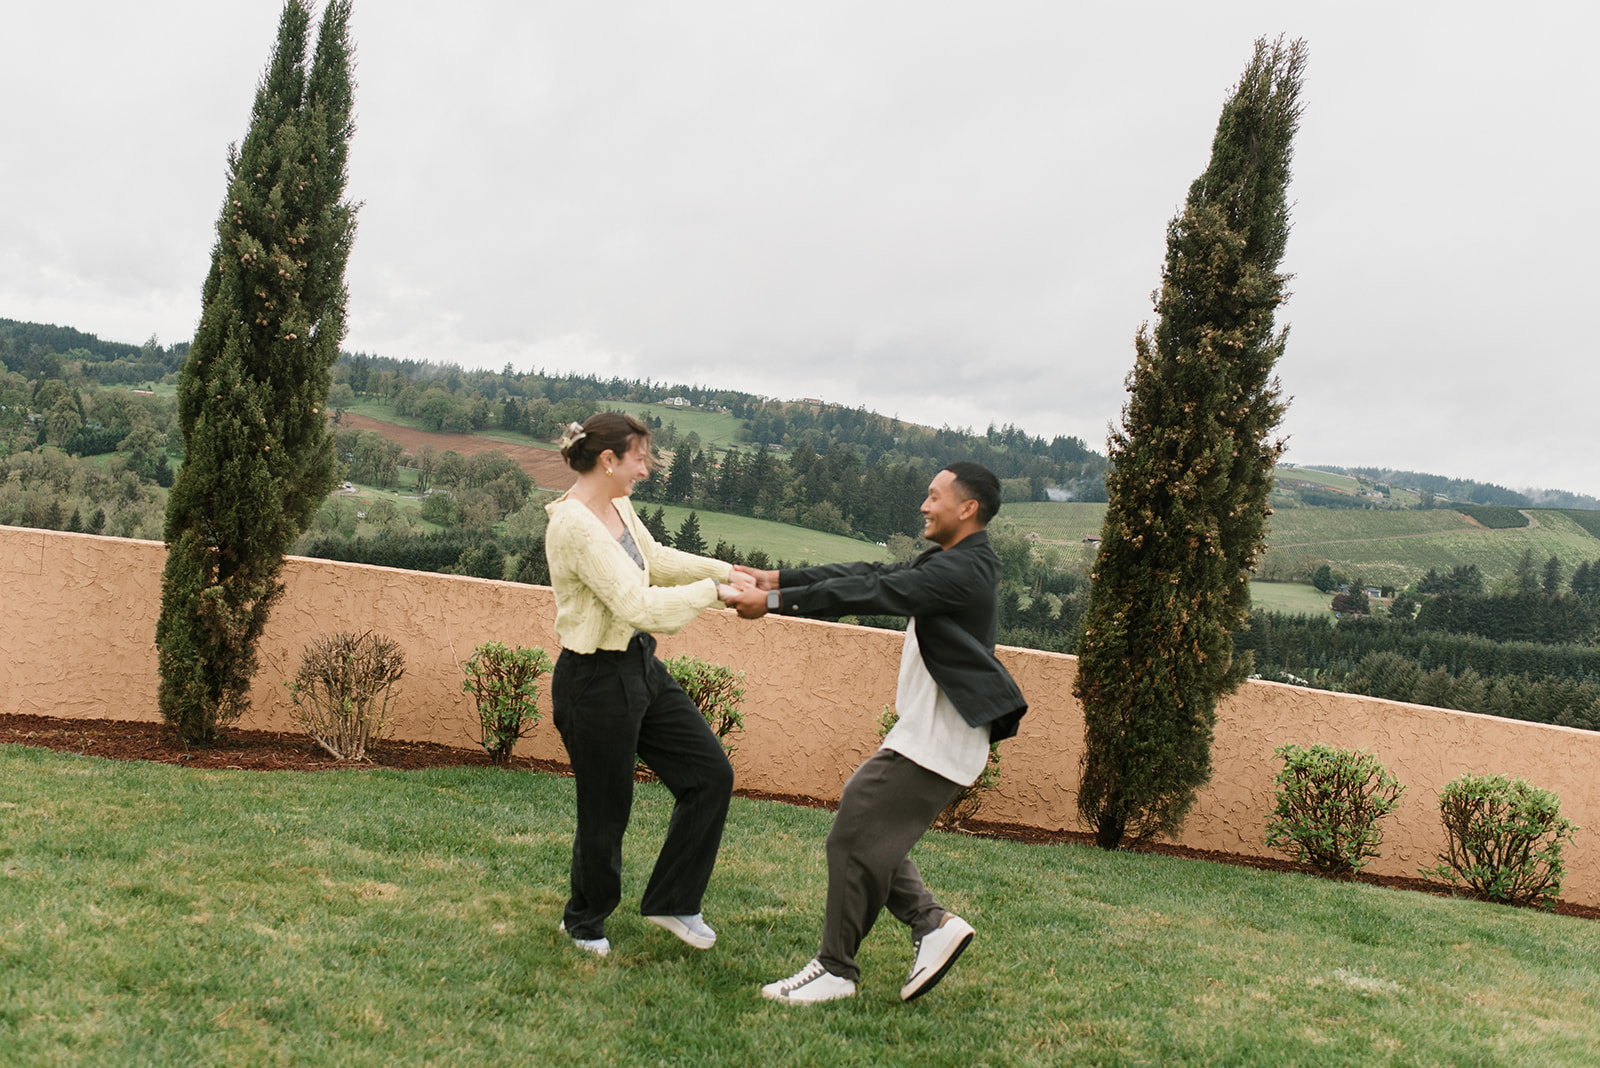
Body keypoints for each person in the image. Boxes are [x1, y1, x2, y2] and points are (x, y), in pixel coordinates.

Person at [724, 461, 1027, 1004]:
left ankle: (836, 968)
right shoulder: (955, 561)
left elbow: (875, 592)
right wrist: (777, 580)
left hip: (941, 734)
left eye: (934, 497)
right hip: (934, 732)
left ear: (968, 508)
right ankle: (931, 924)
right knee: (869, 835)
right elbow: (871, 571)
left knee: (855, 826)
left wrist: (772, 604)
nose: (923, 506)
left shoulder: (965, 571)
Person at [543, 412, 753, 958]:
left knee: (710, 774)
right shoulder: (572, 525)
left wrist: (727, 571)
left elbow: (654, 560)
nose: (647, 467)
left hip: (638, 665)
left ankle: (673, 901)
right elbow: (637, 604)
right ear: (609, 460)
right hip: (593, 679)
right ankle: (583, 921)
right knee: (607, 807)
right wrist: (713, 592)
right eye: (640, 456)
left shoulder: (617, 506)